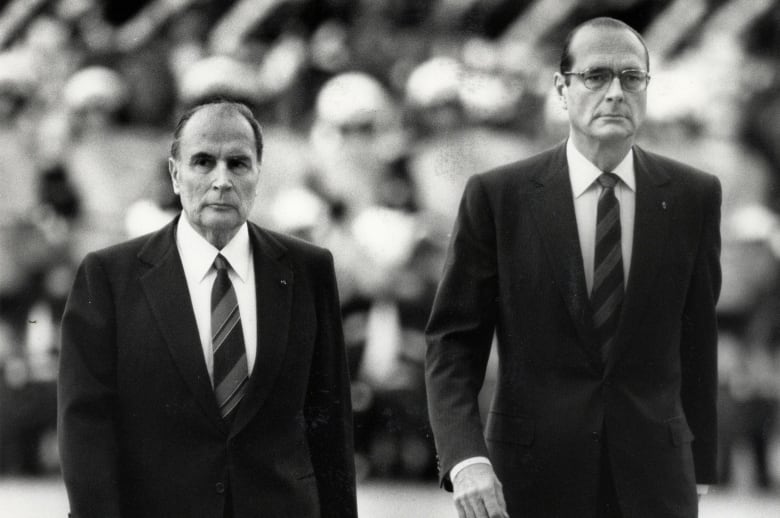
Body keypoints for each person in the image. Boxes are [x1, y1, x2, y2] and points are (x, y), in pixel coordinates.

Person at [425, 17, 721, 518]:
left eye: (632, 78)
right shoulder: (498, 197)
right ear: (561, 89)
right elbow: (453, 344)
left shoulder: (693, 195)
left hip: (656, 482)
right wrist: (465, 458)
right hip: (527, 480)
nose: (615, 92)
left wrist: (702, 469)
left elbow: (697, 338)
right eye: (596, 76)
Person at [58, 100, 357, 518]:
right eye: (203, 162)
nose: (222, 180)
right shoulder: (109, 276)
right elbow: (85, 428)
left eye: (238, 164)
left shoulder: (309, 269)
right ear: (175, 174)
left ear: (258, 174)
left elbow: (329, 423)